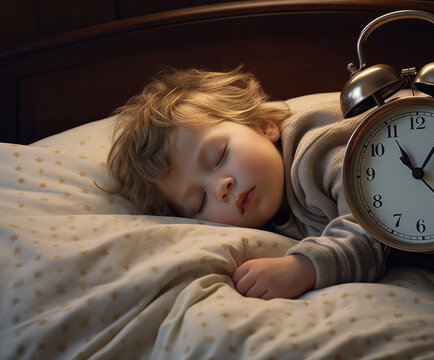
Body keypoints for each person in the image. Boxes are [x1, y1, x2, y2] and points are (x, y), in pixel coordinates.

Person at [105, 67, 386, 300]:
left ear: (263, 125)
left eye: (219, 157)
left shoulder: (321, 152)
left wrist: (304, 267)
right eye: (199, 202)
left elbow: (380, 226)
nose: (220, 187)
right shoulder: (269, 222)